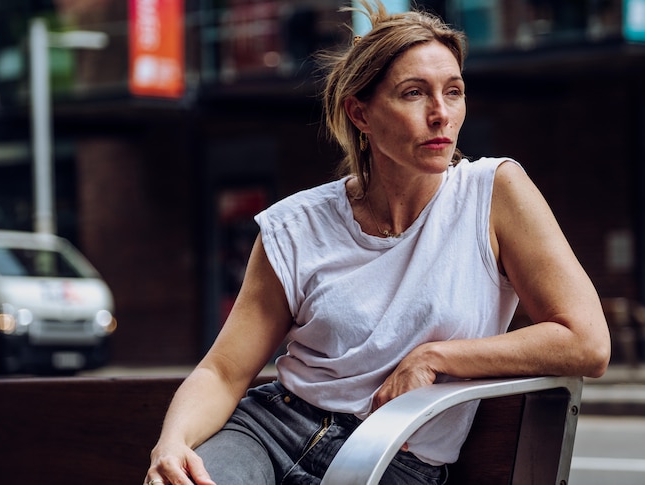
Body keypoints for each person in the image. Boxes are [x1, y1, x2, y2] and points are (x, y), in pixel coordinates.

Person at [145, 2, 610, 484]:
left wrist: (435, 356)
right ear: (360, 113)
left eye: (454, 92)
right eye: (414, 93)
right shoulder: (296, 226)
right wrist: (173, 444)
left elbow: (586, 341)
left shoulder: (494, 193)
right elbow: (223, 371)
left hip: (393, 458)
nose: (441, 114)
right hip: (270, 431)